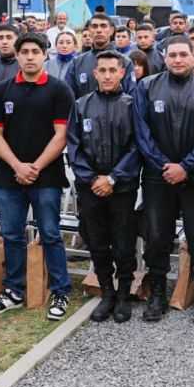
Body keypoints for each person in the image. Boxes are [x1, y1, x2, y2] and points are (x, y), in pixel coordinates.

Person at [0, 33, 76, 321]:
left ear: (45, 54)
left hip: (46, 177)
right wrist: (17, 166)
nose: (30, 56)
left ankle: (60, 290)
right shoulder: (2, 91)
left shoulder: (59, 90)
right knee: (11, 234)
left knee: (50, 234)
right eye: (24, 51)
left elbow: (61, 136)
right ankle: (13, 290)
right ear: (17, 55)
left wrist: (34, 166)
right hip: (9, 177)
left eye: (36, 51)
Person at [133, 37, 194, 324]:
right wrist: (163, 165)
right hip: (158, 177)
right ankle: (157, 292)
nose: (178, 60)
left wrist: (186, 166)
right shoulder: (146, 87)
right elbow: (142, 132)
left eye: (183, 54)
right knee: (157, 237)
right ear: (164, 58)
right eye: (173, 55)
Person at [66, 51, 140, 323]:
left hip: (122, 188)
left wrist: (113, 178)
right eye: (103, 71)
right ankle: (107, 291)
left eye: (113, 70)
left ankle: (123, 293)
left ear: (122, 73)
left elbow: (137, 146)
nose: (107, 75)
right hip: (90, 187)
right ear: (95, 73)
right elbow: (73, 146)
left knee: (123, 242)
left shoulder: (132, 105)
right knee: (97, 241)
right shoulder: (81, 105)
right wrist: (92, 178)